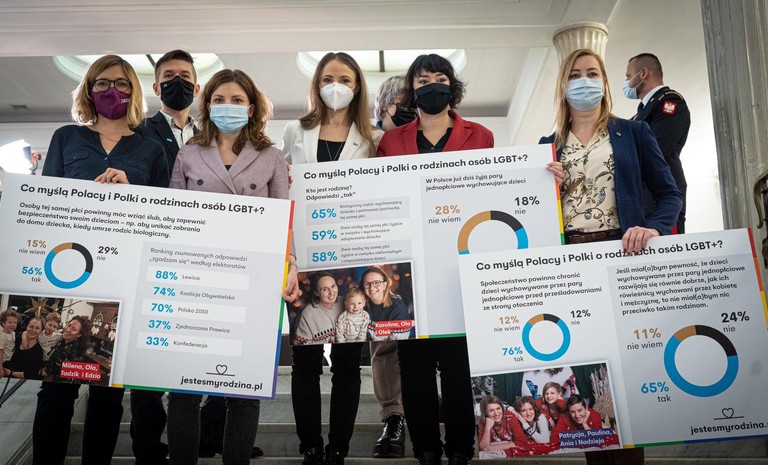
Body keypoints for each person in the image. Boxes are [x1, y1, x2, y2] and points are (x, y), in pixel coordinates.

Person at [541, 48, 682, 464]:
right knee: (588, 371)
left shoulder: (634, 132)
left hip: (622, 257)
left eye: (592, 73)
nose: (584, 81)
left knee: (625, 372)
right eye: (575, 74)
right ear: (562, 85)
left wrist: (653, 228)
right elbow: (533, 217)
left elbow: (669, 193)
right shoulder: (547, 147)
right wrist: (546, 191)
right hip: (571, 265)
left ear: (604, 82)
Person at [36, 54, 169, 465]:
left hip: (125, 277)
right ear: (89, 90)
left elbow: (166, 216)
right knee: (55, 386)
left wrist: (132, 190)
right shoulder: (66, 137)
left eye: (122, 83)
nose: (113, 91)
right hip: (68, 271)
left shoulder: (151, 148)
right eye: (103, 83)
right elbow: (45, 201)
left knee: (108, 390)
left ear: (134, 91)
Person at [166, 67, 297, 465]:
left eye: (237, 100)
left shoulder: (271, 157)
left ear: (251, 108)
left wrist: (289, 264)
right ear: (207, 105)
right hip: (196, 280)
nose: (228, 106)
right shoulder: (189, 153)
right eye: (219, 99)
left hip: (253, 282)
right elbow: (173, 218)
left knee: (243, 390)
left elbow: (282, 219)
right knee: (184, 389)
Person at [378, 54, 493, 465]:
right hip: (409, 270)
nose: (432, 86)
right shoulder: (390, 142)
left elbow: (494, 191)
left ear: (452, 86)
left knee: (460, 367)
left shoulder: (481, 135)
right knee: (415, 370)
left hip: (460, 267)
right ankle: (425, 450)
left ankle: (461, 450)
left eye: (440, 78)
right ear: (412, 89)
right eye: (423, 80)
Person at [282, 52, 380, 465]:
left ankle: (338, 446)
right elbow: (283, 193)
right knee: (304, 361)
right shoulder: (295, 130)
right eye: (327, 78)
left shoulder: (373, 138)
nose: (335, 86)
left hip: (353, 254)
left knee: (346, 363)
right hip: (304, 257)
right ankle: (310, 445)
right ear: (316, 84)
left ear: (357, 86)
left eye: (344, 78)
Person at [130, 48, 200, 465]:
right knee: (148, 365)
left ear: (197, 87)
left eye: (185, 76)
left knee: (197, 351)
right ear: (156, 87)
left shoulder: (214, 134)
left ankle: (200, 438)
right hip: (153, 252)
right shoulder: (137, 132)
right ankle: (148, 448)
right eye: (169, 76)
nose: (178, 82)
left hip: (200, 255)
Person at [369, 76, 415, 459]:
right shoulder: (368, 144)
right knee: (386, 341)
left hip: (428, 243)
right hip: (383, 248)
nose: (411, 108)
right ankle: (393, 417)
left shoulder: (430, 138)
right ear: (384, 105)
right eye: (403, 101)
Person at [624, 53, 690, 233]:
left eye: (629, 77)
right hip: (642, 201)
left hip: (662, 200)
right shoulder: (641, 113)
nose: (627, 83)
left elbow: (657, 150)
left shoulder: (669, 102)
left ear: (643, 73)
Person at [293, 272, 344, 346]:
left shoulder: (346, 303)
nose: (331, 292)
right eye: (324, 289)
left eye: (333, 286)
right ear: (316, 292)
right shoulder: (307, 315)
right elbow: (301, 345)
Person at [362, 266, 411, 342]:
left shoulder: (398, 307)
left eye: (376, 283)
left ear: (384, 285)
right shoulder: (361, 305)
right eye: (367, 284)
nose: (371, 288)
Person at [41, 316, 93, 382]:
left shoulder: (73, 352)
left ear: (79, 335)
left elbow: (56, 374)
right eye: (69, 325)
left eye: (74, 329)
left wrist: (46, 371)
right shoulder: (62, 342)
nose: (68, 329)